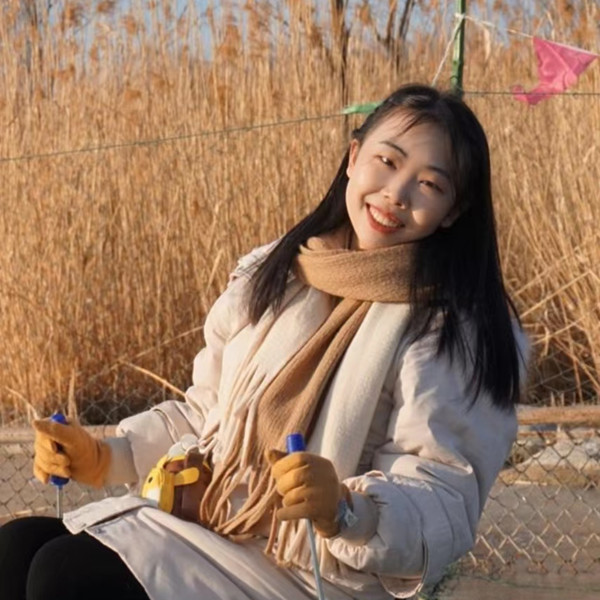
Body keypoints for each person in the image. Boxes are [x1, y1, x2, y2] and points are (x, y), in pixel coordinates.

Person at [0, 83, 529, 600]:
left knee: (68, 573)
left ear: (453, 211)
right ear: (353, 158)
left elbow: (443, 492)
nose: (396, 193)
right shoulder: (280, 271)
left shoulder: (455, 327)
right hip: (215, 522)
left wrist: (347, 510)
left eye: (430, 184)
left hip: (313, 571)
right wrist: (105, 457)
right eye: (387, 162)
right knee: (17, 547)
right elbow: (210, 414)